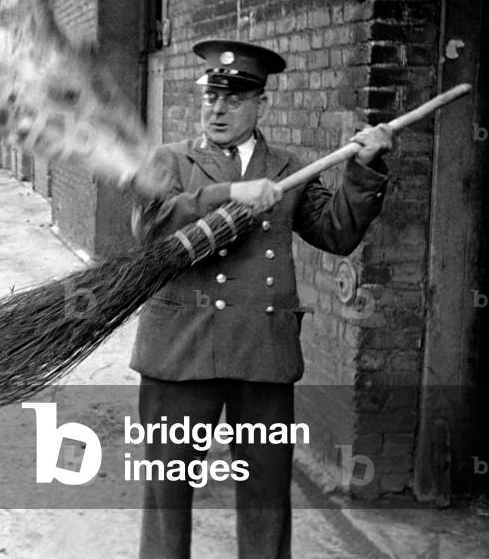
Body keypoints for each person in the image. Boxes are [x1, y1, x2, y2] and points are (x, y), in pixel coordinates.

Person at [130, 39, 394, 559]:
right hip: (179, 353)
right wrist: (227, 194)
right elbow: (150, 228)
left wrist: (364, 169)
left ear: (260, 105)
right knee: (167, 496)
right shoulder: (170, 160)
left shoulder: (288, 165)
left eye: (234, 98)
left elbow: (337, 232)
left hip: (262, 355)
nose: (218, 109)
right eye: (210, 97)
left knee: (266, 498)